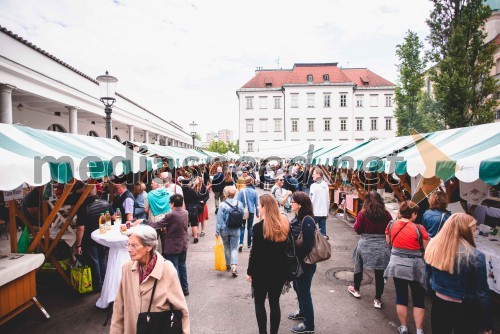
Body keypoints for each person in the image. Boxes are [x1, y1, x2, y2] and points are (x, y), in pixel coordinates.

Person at [110, 224, 189, 333]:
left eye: (134, 245)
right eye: (128, 245)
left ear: (148, 246)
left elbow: (181, 310)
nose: (129, 249)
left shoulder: (167, 270)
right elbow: (119, 307)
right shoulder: (127, 268)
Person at [424, 213, 492, 334]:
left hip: (440, 303)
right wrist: (487, 322)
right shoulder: (476, 256)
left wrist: (433, 295)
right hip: (465, 307)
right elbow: (482, 293)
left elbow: (428, 276)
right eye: (474, 229)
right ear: (467, 231)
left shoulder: (433, 247)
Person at [247, 194, 290, 334]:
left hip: (261, 272)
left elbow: (255, 253)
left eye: (259, 205)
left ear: (265, 207)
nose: (258, 207)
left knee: (259, 302)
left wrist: (250, 272)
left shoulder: (258, 227)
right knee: (274, 303)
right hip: (279, 271)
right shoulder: (283, 225)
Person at [384, 201, 429, 334]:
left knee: (401, 296)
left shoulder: (391, 225)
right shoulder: (420, 229)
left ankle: (404, 328)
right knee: (418, 298)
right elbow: (426, 250)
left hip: (397, 265)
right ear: (414, 214)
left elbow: (389, 242)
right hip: (416, 268)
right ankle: (419, 330)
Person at [138, 194, 190, 296]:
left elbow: (156, 225)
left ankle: (176, 291)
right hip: (183, 243)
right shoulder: (185, 212)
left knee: (174, 268)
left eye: (170, 203)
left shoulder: (171, 215)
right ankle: (185, 288)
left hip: (173, 245)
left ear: (173, 204)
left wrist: (143, 221)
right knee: (182, 266)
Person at [349, 191, 393, 309]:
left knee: (359, 267)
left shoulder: (363, 213)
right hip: (382, 246)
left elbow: (357, 229)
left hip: (365, 244)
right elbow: (391, 228)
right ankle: (378, 299)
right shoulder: (386, 214)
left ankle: (356, 289)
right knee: (380, 273)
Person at [287, 191, 316, 334]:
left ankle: (309, 325)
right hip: (298, 262)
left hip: (305, 263)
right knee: (298, 288)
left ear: (299, 204)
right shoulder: (298, 218)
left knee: (304, 292)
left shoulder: (307, 220)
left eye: (292, 202)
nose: (290, 203)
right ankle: (303, 312)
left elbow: (307, 245)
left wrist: (296, 258)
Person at [75, 185, 113, 292]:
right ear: (96, 190)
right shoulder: (105, 203)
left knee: (94, 262)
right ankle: (105, 282)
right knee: (102, 259)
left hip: (89, 238)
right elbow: (114, 217)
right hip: (103, 236)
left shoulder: (83, 206)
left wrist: (78, 245)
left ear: (85, 192)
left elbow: (80, 228)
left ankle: (98, 286)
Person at [215, 185, 243, 277]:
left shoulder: (223, 204)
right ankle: (234, 267)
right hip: (236, 228)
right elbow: (242, 215)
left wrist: (217, 231)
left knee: (227, 247)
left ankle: (228, 265)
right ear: (235, 193)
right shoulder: (239, 204)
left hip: (224, 229)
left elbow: (219, 219)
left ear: (226, 194)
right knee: (234, 248)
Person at [237, 176, 259, 252]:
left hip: (243, 211)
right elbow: (257, 204)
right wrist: (257, 212)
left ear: (245, 183)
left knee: (242, 227)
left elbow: (238, 202)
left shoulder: (241, 191)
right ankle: (249, 243)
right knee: (250, 228)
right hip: (251, 211)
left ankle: (241, 243)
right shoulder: (254, 192)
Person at [309, 167, 330, 239]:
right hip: (323, 212)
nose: (312, 176)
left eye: (313, 174)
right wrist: (327, 212)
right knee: (323, 234)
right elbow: (328, 200)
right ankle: (324, 248)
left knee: (310, 232)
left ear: (318, 175)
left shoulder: (313, 186)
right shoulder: (326, 185)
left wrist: (309, 211)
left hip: (315, 212)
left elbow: (311, 200)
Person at [180, 178, 200, 244]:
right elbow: (197, 199)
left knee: (185, 225)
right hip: (193, 209)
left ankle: (185, 238)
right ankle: (195, 238)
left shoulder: (180, 191)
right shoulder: (191, 190)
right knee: (194, 224)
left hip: (184, 209)